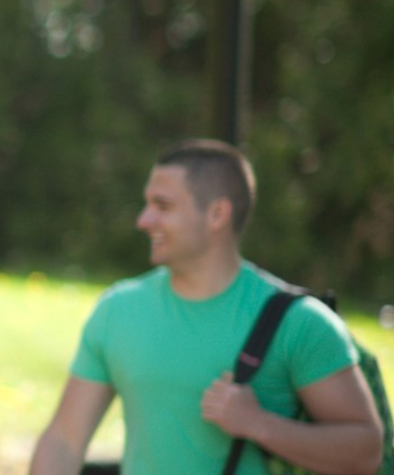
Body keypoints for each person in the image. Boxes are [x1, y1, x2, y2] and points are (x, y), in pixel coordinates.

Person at [30, 139, 382, 474]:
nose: (143, 220)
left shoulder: (299, 322)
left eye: (162, 206)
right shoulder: (117, 311)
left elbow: (366, 452)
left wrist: (260, 425)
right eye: (147, 204)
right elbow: (64, 440)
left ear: (216, 214)